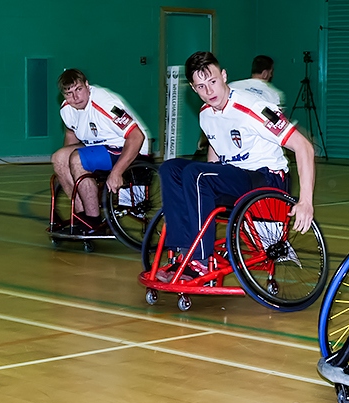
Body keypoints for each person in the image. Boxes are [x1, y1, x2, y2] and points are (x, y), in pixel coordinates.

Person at [158, 51, 314, 278]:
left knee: (195, 173)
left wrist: (306, 201)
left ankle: (200, 260)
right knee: (170, 168)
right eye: (201, 86)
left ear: (223, 76)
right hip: (235, 177)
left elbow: (304, 147)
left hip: (267, 178)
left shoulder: (254, 108)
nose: (209, 91)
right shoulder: (206, 113)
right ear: (193, 88)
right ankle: (183, 251)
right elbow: (216, 148)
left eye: (212, 82)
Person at [52, 69, 149, 233]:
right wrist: (64, 169)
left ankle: (93, 221)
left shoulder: (106, 104)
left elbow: (136, 136)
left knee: (77, 159)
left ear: (87, 85)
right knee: (59, 158)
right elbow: (71, 134)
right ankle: (81, 215)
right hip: (98, 147)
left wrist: (117, 172)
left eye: (79, 90)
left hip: (126, 146)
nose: (75, 98)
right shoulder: (67, 109)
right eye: (69, 93)